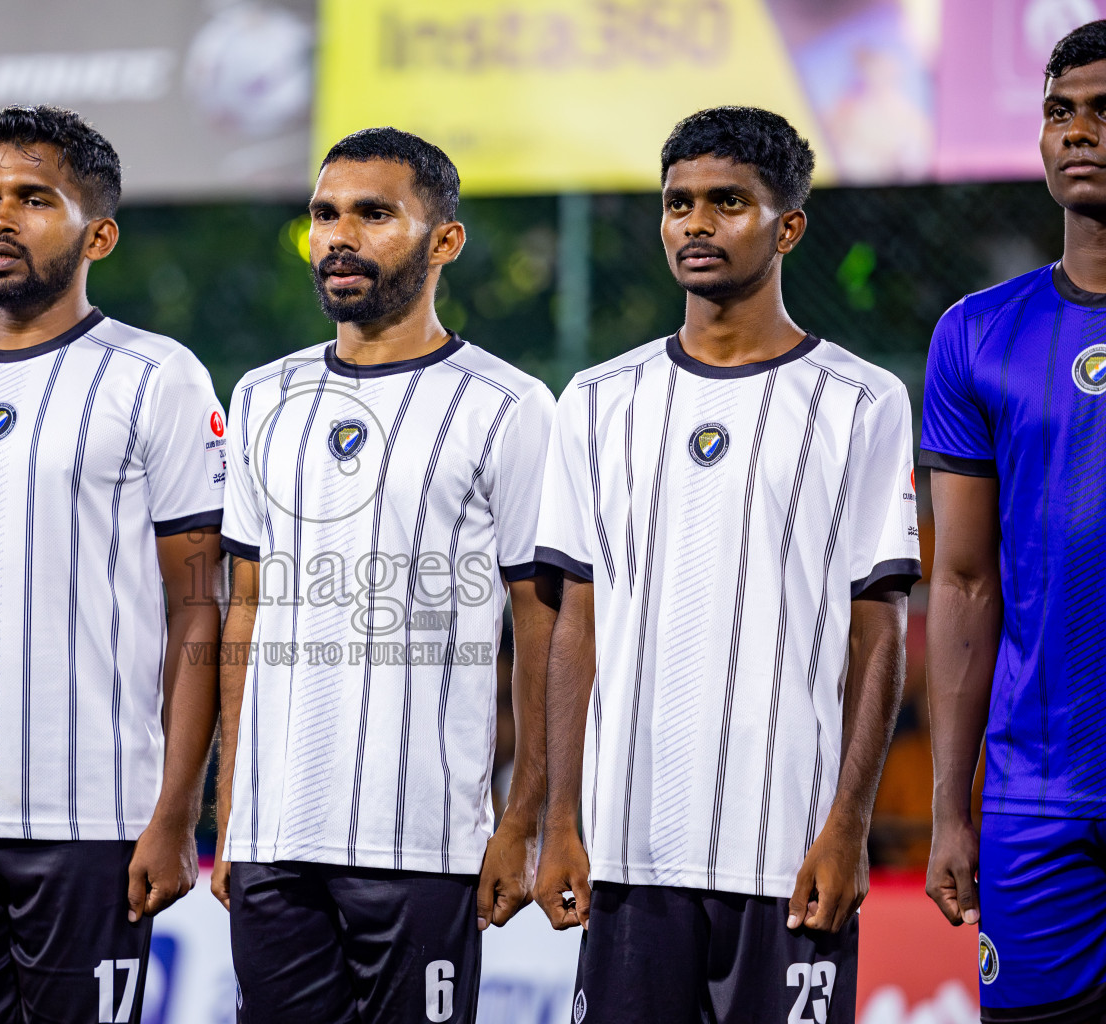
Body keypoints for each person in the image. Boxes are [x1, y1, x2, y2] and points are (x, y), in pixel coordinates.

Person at [533, 106, 919, 1022]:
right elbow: (573, 625)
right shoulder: (596, 400)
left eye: (728, 202)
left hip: (786, 852)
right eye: (678, 203)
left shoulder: (862, 401)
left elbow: (879, 631)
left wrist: (848, 826)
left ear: (787, 227)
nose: (696, 223)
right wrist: (557, 821)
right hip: (629, 855)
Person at [0, 105, 225, 1024]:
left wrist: (177, 814)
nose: (0, 218)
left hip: (93, 818)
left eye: (33, 198)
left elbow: (199, 611)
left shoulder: (158, 375)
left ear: (98, 232)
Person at [213, 126, 558, 1024]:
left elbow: (544, 629)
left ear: (444, 241)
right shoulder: (261, 394)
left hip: (424, 842)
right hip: (273, 838)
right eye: (326, 215)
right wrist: (230, 813)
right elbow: (243, 611)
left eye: (374, 214)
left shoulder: (509, 405)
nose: (341, 236)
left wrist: (522, 820)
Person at [923, 21, 1106, 1022]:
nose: (1078, 132)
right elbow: (959, 582)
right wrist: (953, 811)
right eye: (1058, 112)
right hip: (1036, 803)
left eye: (1104, 110)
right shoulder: (978, 334)